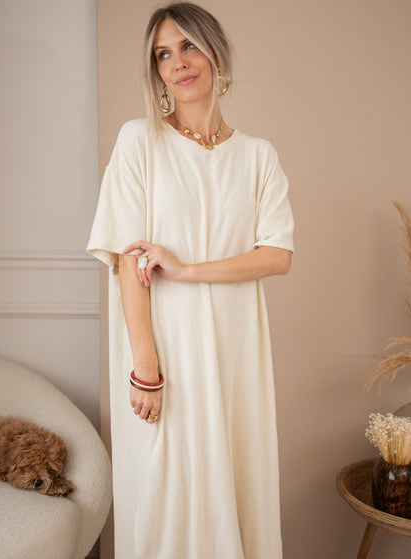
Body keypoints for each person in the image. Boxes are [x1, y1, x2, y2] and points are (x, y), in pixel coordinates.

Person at [87, 2, 294, 558]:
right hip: (163, 350)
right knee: (165, 497)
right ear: (155, 70)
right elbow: (128, 261)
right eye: (163, 54)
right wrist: (146, 369)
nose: (177, 62)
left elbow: (277, 256)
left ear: (216, 54)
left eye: (188, 46)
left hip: (235, 349)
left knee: (235, 482)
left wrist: (186, 270)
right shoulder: (139, 141)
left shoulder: (258, 157)